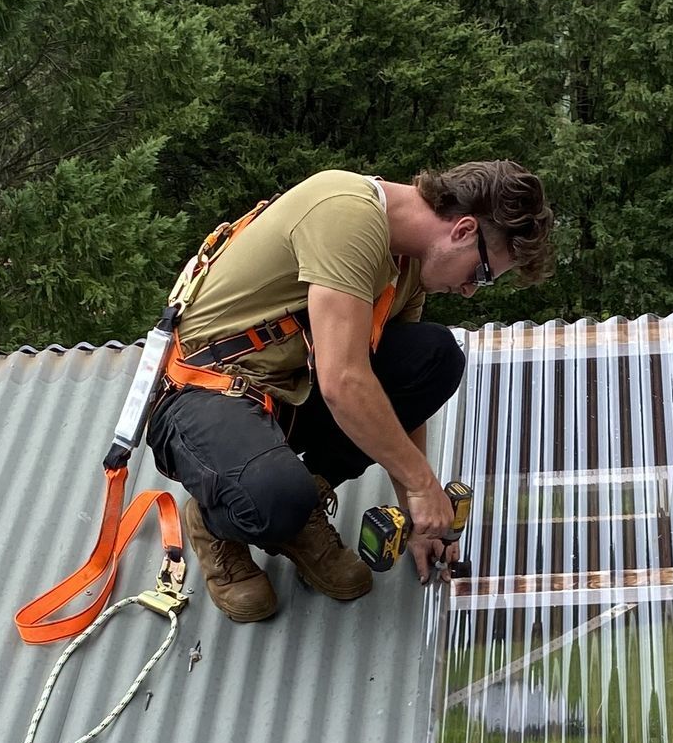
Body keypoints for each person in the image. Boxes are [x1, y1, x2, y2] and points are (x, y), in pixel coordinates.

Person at [147, 160, 556, 623]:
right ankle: (217, 521)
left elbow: (393, 394)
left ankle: (302, 511)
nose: (468, 290)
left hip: (287, 396)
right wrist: (424, 486)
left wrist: (414, 511)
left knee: (435, 355)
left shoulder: (406, 265)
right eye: (480, 274)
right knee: (275, 498)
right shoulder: (348, 214)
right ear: (463, 230)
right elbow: (343, 382)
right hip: (200, 396)